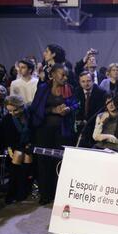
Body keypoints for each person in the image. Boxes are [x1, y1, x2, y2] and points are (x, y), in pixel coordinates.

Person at [30, 64, 79, 205]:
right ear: (53, 74)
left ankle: (60, 195)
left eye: (66, 75)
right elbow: (35, 108)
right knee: (44, 163)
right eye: (62, 74)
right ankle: (45, 194)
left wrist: (69, 109)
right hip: (44, 131)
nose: (65, 77)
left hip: (62, 132)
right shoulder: (43, 89)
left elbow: (77, 104)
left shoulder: (69, 89)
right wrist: (53, 110)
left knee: (59, 163)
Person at [2, 95, 33, 204]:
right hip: (15, 147)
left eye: (14, 110)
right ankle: (11, 194)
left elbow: (33, 131)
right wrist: (12, 149)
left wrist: (29, 145)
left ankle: (22, 192)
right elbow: (7, 138)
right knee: (18, 159)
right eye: (9, 111)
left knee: (26, 162)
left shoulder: (30, 115)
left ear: (21, 107)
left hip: (30, 146)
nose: (12, 113)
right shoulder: (7, 119)